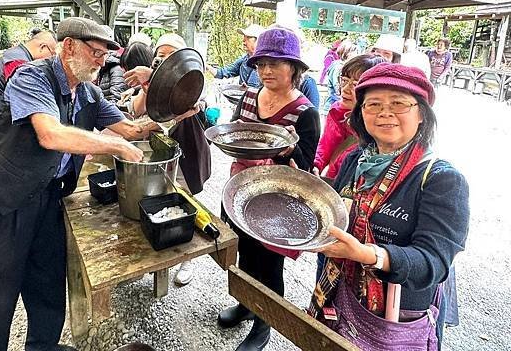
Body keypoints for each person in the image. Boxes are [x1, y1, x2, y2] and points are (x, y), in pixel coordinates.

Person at [0, 17, 195, 351]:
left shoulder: (89, 93)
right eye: (96, 52)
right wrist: (113, 146)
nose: (102, 61)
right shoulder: (31, 77)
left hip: (50, 202)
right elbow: (50, 134)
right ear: (68, 47)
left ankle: (42, 348)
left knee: (47, 290)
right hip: (3, 205)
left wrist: (176, 113)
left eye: (105, 55)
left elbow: (131, 129)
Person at [310, 62, 469, 351]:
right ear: (361, 114)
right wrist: (305, 189)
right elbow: (332, 207)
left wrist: (369, 255)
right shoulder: (354, 160)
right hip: (336, 294)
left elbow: (433, 262)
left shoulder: (442, 179)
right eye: (373, 104)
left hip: (394, 316)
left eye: (399, 103)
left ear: (421, 113)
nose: (385, 112)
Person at [219, 25, 321, 351]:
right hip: (240, 189)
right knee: (244, 255)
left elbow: (307, 168)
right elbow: (235, 133)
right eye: (261, 64)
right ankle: (247, 305)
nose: (265, 71)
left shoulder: (306, 112)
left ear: (294, 68)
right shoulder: (250, 95)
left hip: (275, 202)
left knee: (268, 264)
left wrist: (289, 150)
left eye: (274, 64)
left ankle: (265, 324)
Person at [124, 33, 212, 286]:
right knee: (153, 200)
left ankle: (187, 259)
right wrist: (147, 85)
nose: (163, 60)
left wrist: (153, 77)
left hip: (187, 152)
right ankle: (150, 260)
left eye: (170, 55)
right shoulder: (150, 81)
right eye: (159, 56)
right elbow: (138, 110)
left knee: (184, 202)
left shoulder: (195, 81)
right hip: (157, 150)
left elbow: (189, 103)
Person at [313, 54, 386, 179]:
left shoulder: (385, 128)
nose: (345, 89)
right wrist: (315, 166)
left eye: (355, 84)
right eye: (344, 81)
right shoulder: (338, 112)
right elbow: (326, 145)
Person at [0, 29, 58, 117]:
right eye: (53, 54)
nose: (52, 59)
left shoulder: (14, 53)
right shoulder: (18, 63)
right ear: (42, 47)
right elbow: (26, 97)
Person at [323, 39, 357, 114]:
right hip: (333, 108)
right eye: (354, 51)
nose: (356, 54)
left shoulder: (345, 66)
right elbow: (338, 89)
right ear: (347, 52)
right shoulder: (338, 67)